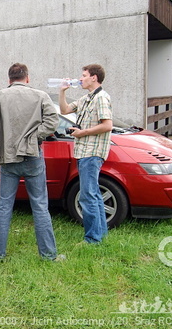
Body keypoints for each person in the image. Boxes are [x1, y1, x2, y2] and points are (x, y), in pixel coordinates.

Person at [0, 63, 62, 261]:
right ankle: (49, 255)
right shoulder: (40, 96)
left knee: (5, 206)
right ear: (27, 78)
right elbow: (52, 121)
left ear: (9, 79)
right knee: (40, 205)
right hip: (32, 156)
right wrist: (34, 138)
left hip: (8, 158)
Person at [59, 64, 113, 244]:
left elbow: (107, 125)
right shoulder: (85, 98)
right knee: (94, 194)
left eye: (83, 76)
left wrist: (82, 132)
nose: (80, 79)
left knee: (87, 196)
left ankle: (92, 238)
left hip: (92, 153)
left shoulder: (101, 98)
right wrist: (63, 91)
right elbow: (64, 110)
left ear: (94, 78)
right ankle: (100, 233)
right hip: (83, 152)